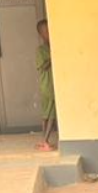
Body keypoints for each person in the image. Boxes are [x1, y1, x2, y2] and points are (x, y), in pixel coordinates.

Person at [36, 19, 57, 151]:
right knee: (49, 115)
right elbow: (42, 67)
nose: (48, 33)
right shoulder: (40, 50)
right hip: (47, 86)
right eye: (45, 31)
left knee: (48, 114)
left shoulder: (52, 47)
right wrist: (52, 57)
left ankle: (45, 140)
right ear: (41, 34)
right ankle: (45, 141)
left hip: (50, 86)